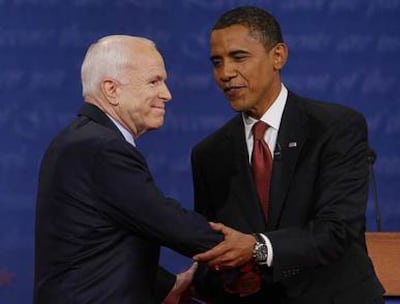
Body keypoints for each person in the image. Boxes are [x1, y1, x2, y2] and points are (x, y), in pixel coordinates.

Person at [34, 35, 255, 304]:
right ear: (111, 90)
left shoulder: (82, 140)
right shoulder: (99, 148)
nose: (167, 94)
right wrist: (250, 250)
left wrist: (169, 286)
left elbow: (103, 244)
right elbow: (165, 220)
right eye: (154, 81)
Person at [191, 6, 385, 304]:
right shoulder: (209, 154)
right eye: (217, 62)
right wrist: (228, 280)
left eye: (239, 57)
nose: (226, 73)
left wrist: (258, 247)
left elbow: (335, 231)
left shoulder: (335, 128)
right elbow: (211, 256)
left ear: (278, 56)